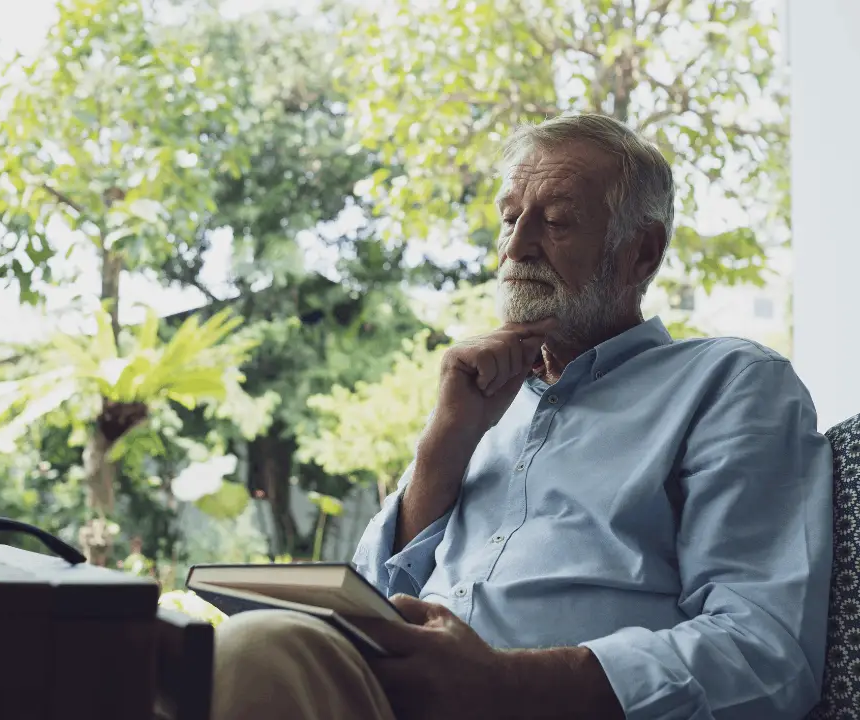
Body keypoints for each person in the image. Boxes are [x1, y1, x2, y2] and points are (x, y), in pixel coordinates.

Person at [210, 114, 833, 720]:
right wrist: (444, 445)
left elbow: (765, 653)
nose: (514, 247)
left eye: (555, 222)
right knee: (193, 648)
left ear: (641, 254)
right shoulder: (483, 401)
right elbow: (366, 603)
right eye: (510, 219)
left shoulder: (730, 382)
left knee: (255, 650)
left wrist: (506, 684)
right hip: (387, 698)